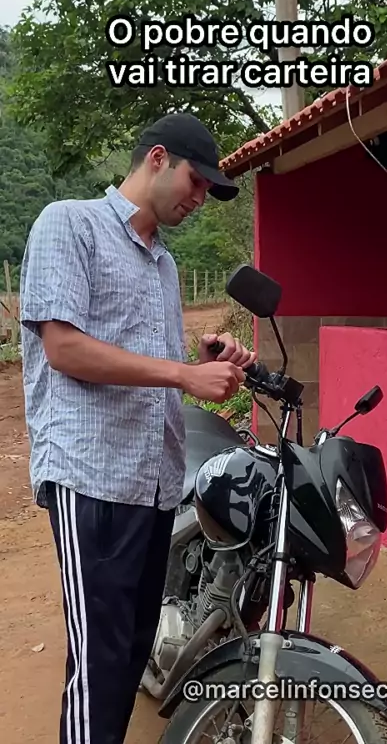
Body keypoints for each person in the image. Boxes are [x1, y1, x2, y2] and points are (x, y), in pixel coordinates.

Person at [19, 112, 255, 744]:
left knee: (128, 655)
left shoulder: (165, 266)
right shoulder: (71, 224)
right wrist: (183, 375)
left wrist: (201, 363)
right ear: (157, 159)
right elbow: (64, 348)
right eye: (196, 181)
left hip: (154, 485)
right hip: (90, 475)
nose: (199, 199)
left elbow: (152, 366)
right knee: (99, 662)